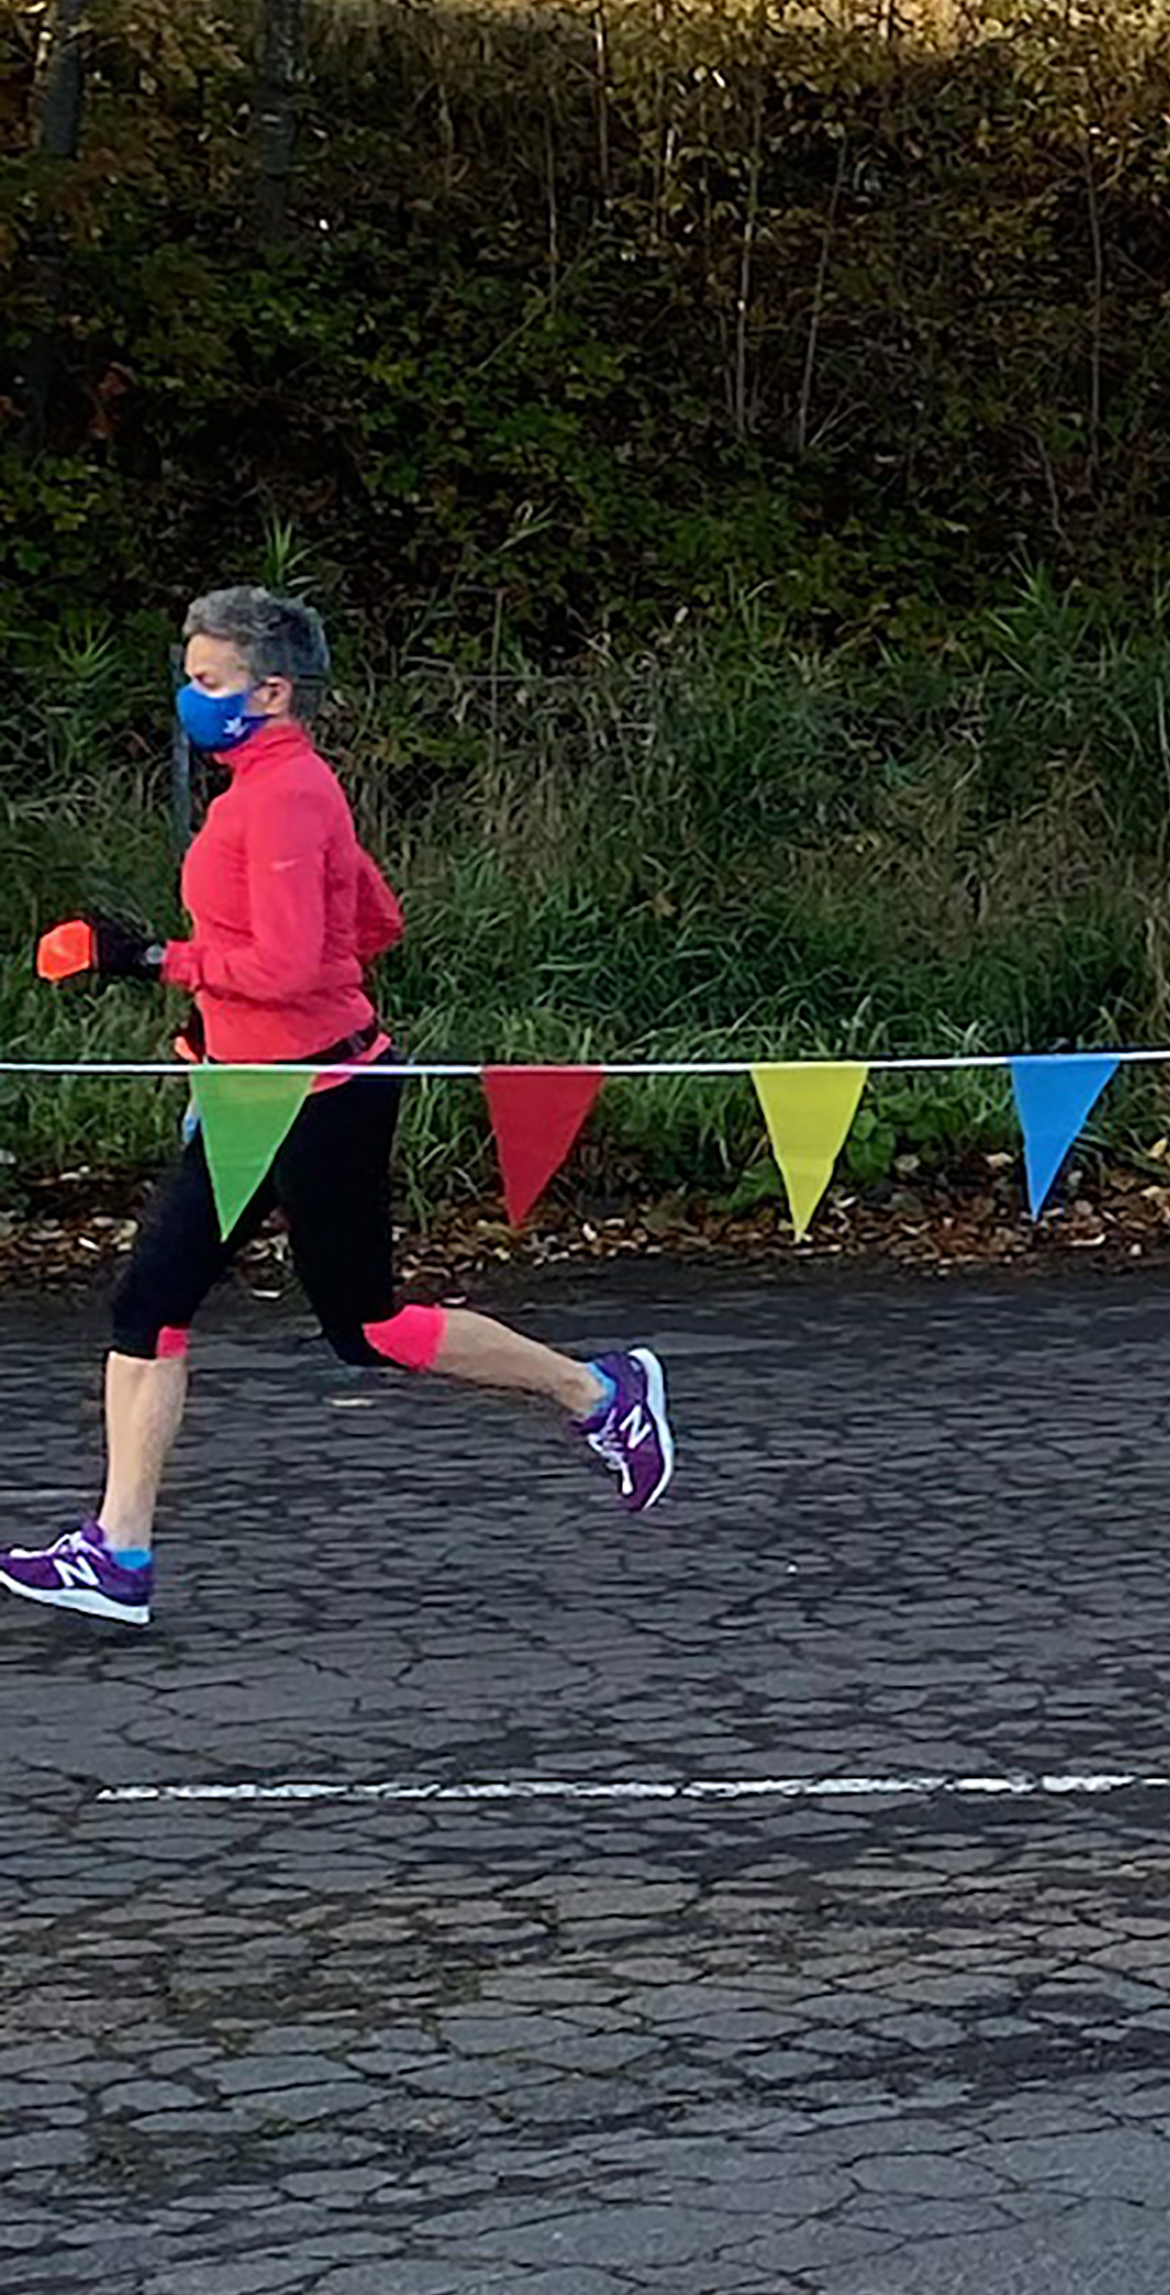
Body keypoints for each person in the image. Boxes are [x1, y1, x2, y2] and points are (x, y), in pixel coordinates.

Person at [3, 588, 674, 1630]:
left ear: (271, 691)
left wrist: (147, 958)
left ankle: (600, 1393)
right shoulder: (284, 790)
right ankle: (117, 1553)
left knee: (369, 1328)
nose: (192, 695)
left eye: (211, 680)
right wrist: (233, 1022)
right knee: (151, 1307)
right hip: (253, 1091)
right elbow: (375, 922)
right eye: (190, 674)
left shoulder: (281, 799)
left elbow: (283, 961)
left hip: (317, 1098)